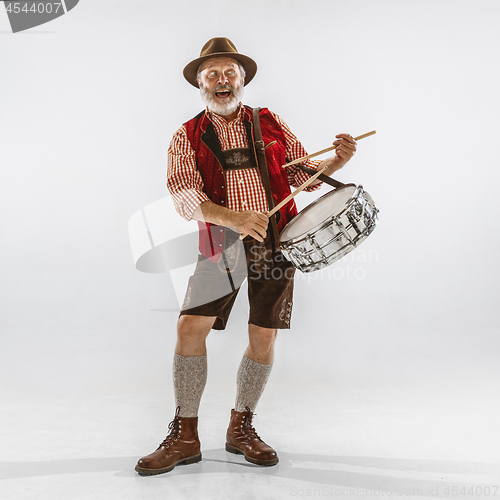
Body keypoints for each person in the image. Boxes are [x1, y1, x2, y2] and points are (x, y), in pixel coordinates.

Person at [135, 37, 356, 476]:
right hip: (223, 244)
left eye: (229, 73)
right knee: (190, 327)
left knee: (263, 334)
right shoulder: (187, 134)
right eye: (211, 74)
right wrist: (233, 219)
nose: (221, 81)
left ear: (242, 79)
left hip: (277, 240)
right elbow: (183, 193)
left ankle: (242, 428)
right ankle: (185, 435)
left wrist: (335, 163)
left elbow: (298, 174)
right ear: (200, 84)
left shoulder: (269, 122)